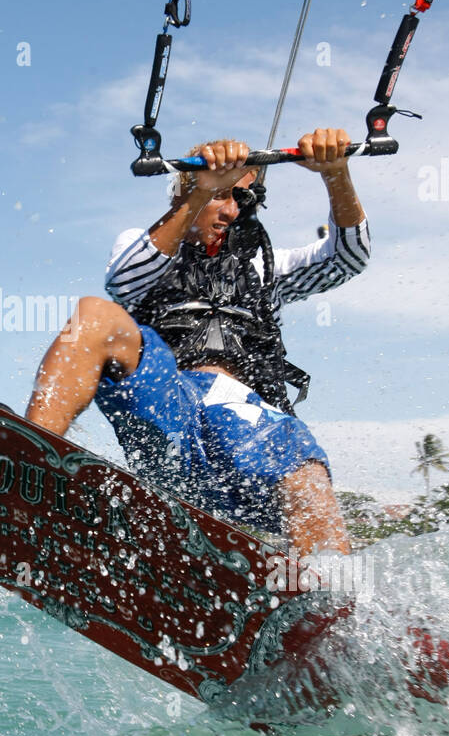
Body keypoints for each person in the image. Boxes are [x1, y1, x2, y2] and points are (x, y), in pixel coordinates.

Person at [26, 129, 370, 559]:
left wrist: (335, 174)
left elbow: (348, 259)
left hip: (247, 426)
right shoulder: (143, 244)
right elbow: (123, 282)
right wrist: (201, 188)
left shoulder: (271, 268)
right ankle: (29, 464)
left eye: (241, 199)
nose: (231, 211)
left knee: (307, 475)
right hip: (169, 409)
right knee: (93, 315)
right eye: (219, 195)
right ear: (181, 193)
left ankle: (329, 590)